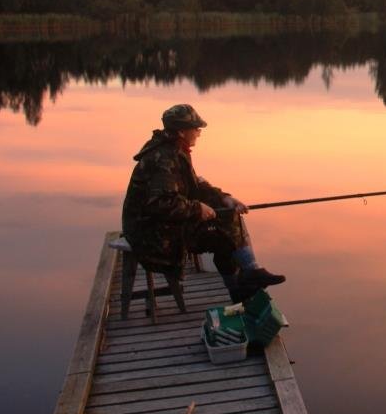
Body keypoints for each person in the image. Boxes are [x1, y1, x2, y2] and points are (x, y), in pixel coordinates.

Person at [121, 103, 285, 302]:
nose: (199, 132)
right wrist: (198, 208)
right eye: (196, 128)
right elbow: (160, 204)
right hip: (151, 233)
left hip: (162, 224)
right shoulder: (164, 158)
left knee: (228, 217)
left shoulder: (174, 150)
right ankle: (244, 282)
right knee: (222, 236)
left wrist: (224, 198)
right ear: (182, 131)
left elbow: (194, 186)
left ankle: (245, 281)